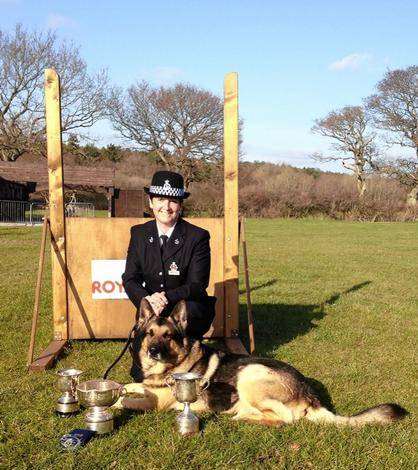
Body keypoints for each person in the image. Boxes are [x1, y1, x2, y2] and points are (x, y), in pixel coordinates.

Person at [122, 170, 216, 345]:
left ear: (180, 205)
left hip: (186, 313)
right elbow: (130, 278)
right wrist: (147, 301)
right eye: (160, 199)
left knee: (188, 366)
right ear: (150, 202)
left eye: (173, 201)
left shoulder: (198, 236)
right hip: (151, 311)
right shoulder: (139, 234)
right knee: (140, 369)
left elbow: (197, 285)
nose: (166, 206)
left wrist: (165, 298)